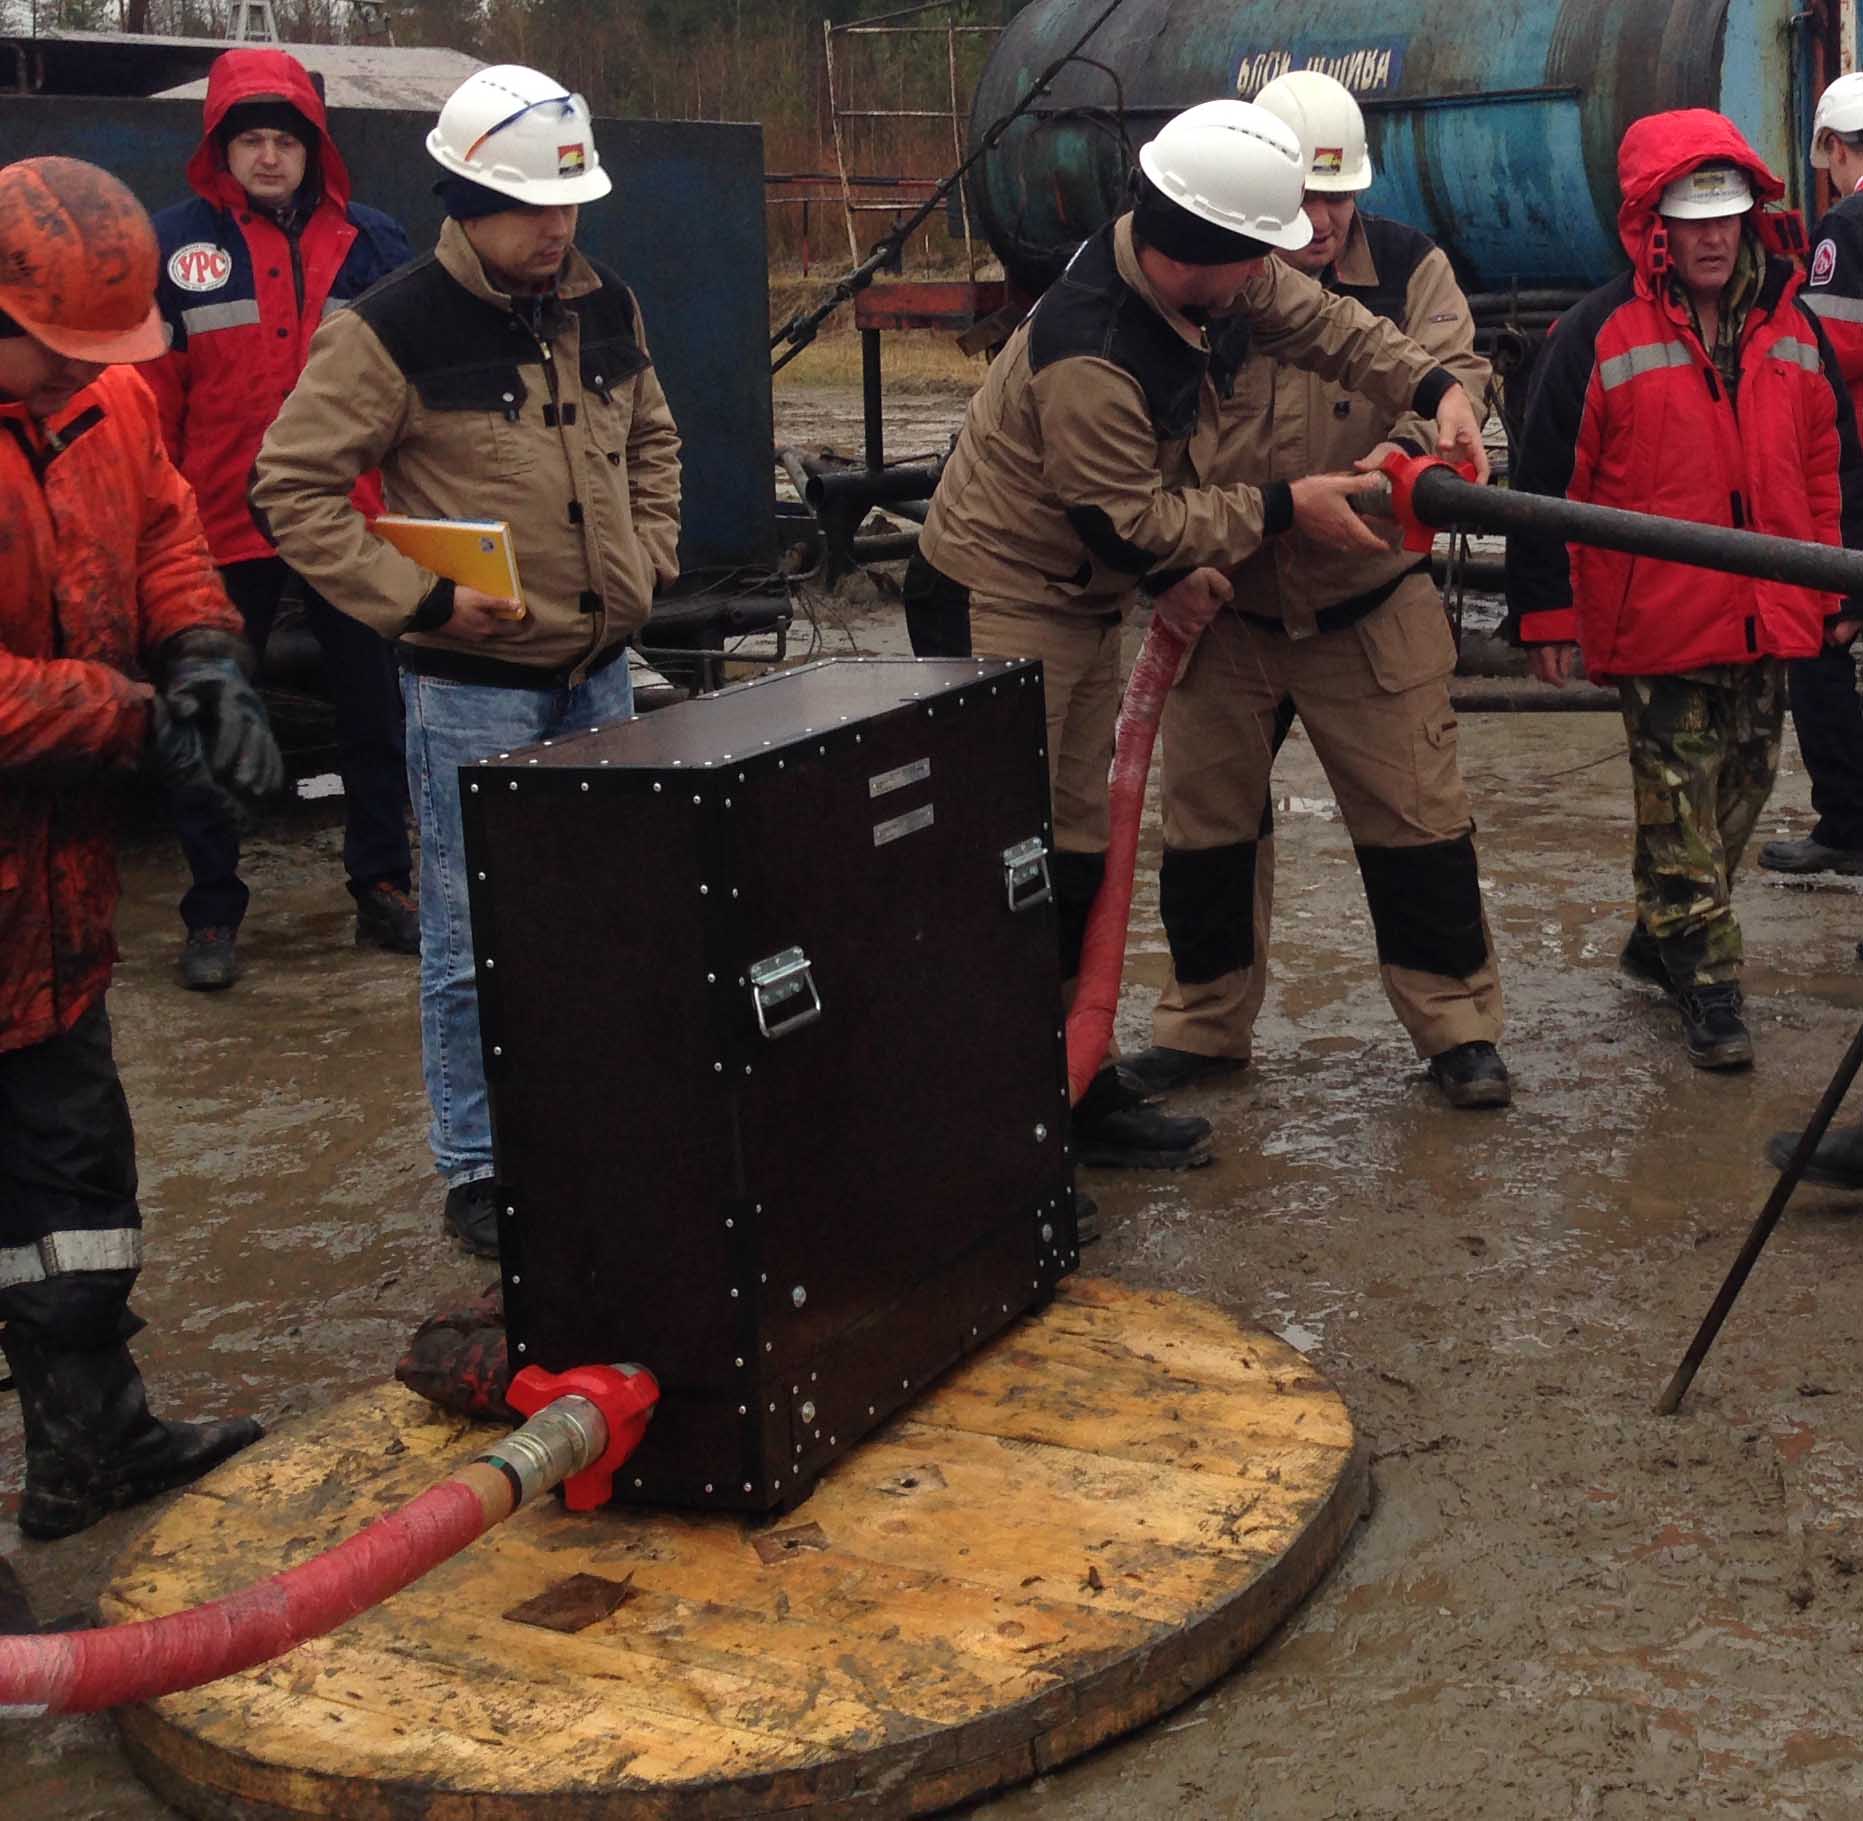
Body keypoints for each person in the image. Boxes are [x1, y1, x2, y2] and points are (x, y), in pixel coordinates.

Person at [907, 97, 1490, 1167]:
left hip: (1076, 598)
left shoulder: (1197, 257)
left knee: (1077, 854)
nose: (1286, 264)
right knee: (1022, 866)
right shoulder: (1090, 351)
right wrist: (1280, 508)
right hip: (1005, 595)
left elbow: (1322, 323)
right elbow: (1128, 522)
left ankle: (1072, 1094)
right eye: (1260, 253)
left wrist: (1435, 384)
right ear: (1200, 259)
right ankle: (1009, 1136)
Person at [252, 66, 682, 1257]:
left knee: (601, 923)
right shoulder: (388, 329)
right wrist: (423, 601)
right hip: (471, 694)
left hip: (598, 675)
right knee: (469, 938)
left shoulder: (607, 307)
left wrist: (647, 558)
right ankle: (482, 1164)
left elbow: (651, 437)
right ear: (462, 199)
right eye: (530, 209)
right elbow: (291, 487)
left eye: (570, 207)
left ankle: (590, 1120)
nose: (556, 230)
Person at [1127, 70, 1509, 1111]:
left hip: (1367, 603)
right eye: (1305, 200)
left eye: (1340, 198)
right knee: (1205, 834)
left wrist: (1395, 462)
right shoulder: (1210, 278)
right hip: (1228, 603)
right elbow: (1155, 436)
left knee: (1419, 825)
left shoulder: (1411, 269)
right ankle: (1204, 1028)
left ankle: (1457, 1027)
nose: (1325, 222)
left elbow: (1454, 377)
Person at [0, 157, 274, 1538]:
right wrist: (129, 719)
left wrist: (209, 650)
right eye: (56, 350)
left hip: (50, 914)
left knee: (75, 1190)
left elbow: (166, 525)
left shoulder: (101, 402)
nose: (79, 376)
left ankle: (90, 1443)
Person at [1506, 110, 1863, 1071]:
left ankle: (1656, 933)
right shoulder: (1595, 334)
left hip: (1768, 609)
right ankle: (1708, 984)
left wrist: (1841, 584)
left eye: (1726, 214)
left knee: (1738, 793)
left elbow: (1834, 467)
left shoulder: (1792, 326)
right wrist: (1544, 612)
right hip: (1658, 616)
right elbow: (1543, 483)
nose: (1710, 236)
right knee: (1677, 800)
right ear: (1651, 223)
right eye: (1690, 216)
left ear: (1749, 218)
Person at [148, 48, 418, 990]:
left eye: (285, 140)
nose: (268, 157)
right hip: (217, 524)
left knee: (374, 716)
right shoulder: (172, 249)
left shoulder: (374, 245)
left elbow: (410, 395)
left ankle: (384, 882)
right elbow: (150, 398)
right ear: (221, 149)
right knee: (211, 716)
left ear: (314, 148)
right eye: (250, 140)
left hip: (350, 521)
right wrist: (161, 522)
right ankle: (213, 910)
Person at [1758, 71, 1863, 883]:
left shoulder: (1846, 226)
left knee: (1820, 631)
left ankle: (1846, 820)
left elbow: (1829, 357)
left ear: (1831, 148)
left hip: (1852, 466)